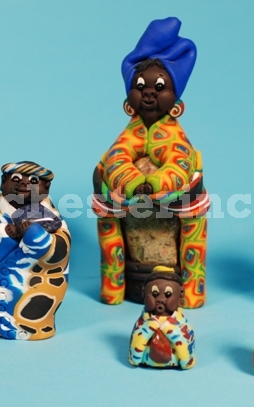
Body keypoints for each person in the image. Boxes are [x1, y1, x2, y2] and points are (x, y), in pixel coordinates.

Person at [93, 17, 209, 308]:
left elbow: (179, 164)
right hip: (130, 217)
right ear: (128, 101)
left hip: (172, 220)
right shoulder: (128, 136)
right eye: (141, 86)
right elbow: (116, 159)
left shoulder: (176, 139)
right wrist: (132, 181)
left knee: (193, 222)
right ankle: (114, 285)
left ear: (177, 104)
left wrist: (157, 182)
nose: (149, 93)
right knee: (107, 213)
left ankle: (191, 290)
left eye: (160, 87)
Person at [0, 161, 70, 340]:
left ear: (46, 187)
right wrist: (6, 234)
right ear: (3, 182)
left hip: (38, 290)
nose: (24, 183)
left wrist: (35, 236)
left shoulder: (53, 220)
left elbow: (60, 252)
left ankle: (38, 327)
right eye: (16, 179)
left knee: (36, 309)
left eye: (33, 181)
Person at [129, 271, 195, 369]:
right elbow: (134, 351)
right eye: (155, 293)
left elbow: (188, 353)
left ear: (181, 293)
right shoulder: (141, 323)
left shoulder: (183, 325)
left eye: (168, 294)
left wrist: (172, 331)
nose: (160, 299)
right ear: (143, 292)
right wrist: (147, 329)